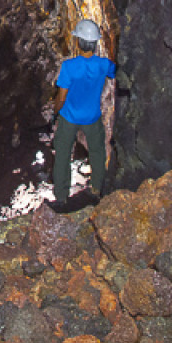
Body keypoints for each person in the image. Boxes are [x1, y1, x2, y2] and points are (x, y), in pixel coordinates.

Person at [49, 18, 115, 210]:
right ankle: (96, 189)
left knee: (62, 154)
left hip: (69, 117)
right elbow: (115, 71)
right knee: (97, 152)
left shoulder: (69, 67)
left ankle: (62, 197)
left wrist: (55, 113)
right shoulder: (104, 64)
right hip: (92, 117)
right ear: (95, 43)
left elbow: (61, 97)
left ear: (78, 42)